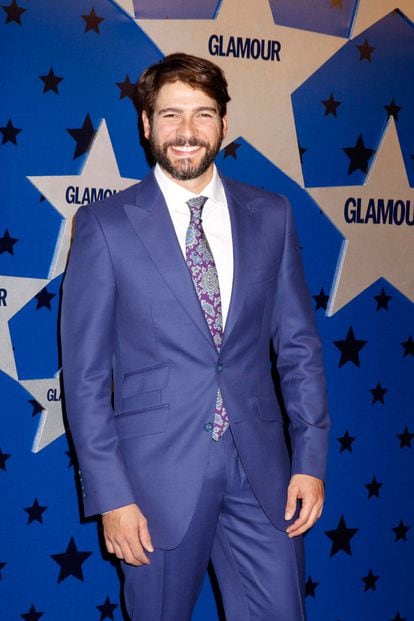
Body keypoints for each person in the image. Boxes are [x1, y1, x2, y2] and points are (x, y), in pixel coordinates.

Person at [61, 52, 330, 621]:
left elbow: (299, 348)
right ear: (146, 124)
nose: (187, 132)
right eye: (170, 115)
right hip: (153, 478)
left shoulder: (273, 214)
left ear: (224, 125)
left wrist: (310, 458)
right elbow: (84, 379)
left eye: (203, 114)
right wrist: (112, 496)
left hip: (263, 473)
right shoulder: (105, 226)